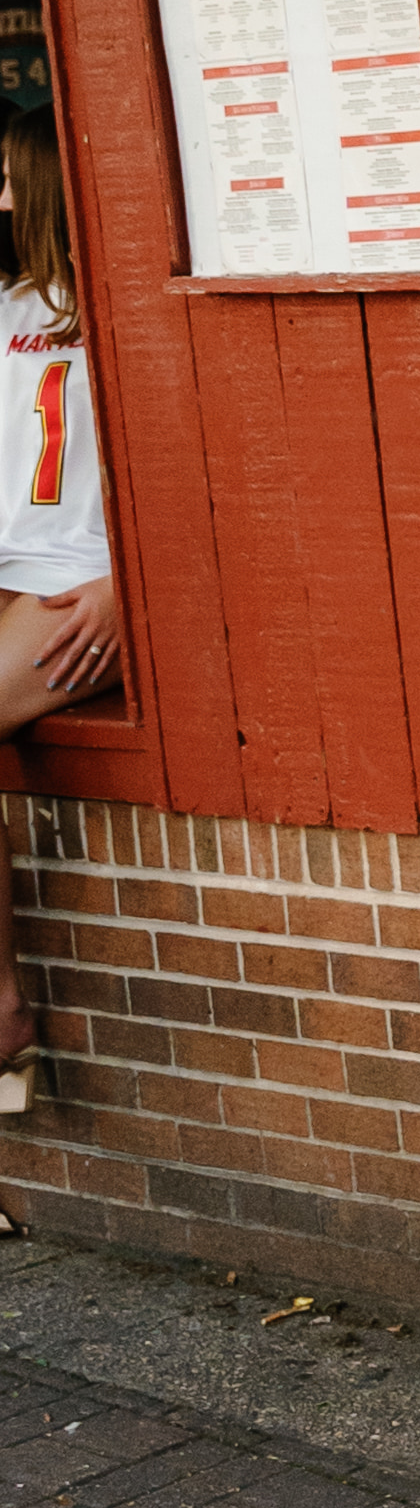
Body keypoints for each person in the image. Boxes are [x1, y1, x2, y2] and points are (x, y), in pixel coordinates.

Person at [0, 112, 121, 1114]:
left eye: (8, 178)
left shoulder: (119, 309)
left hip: (75, 586)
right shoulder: (9, 309)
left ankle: (1, 1009)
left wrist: (132, 584)